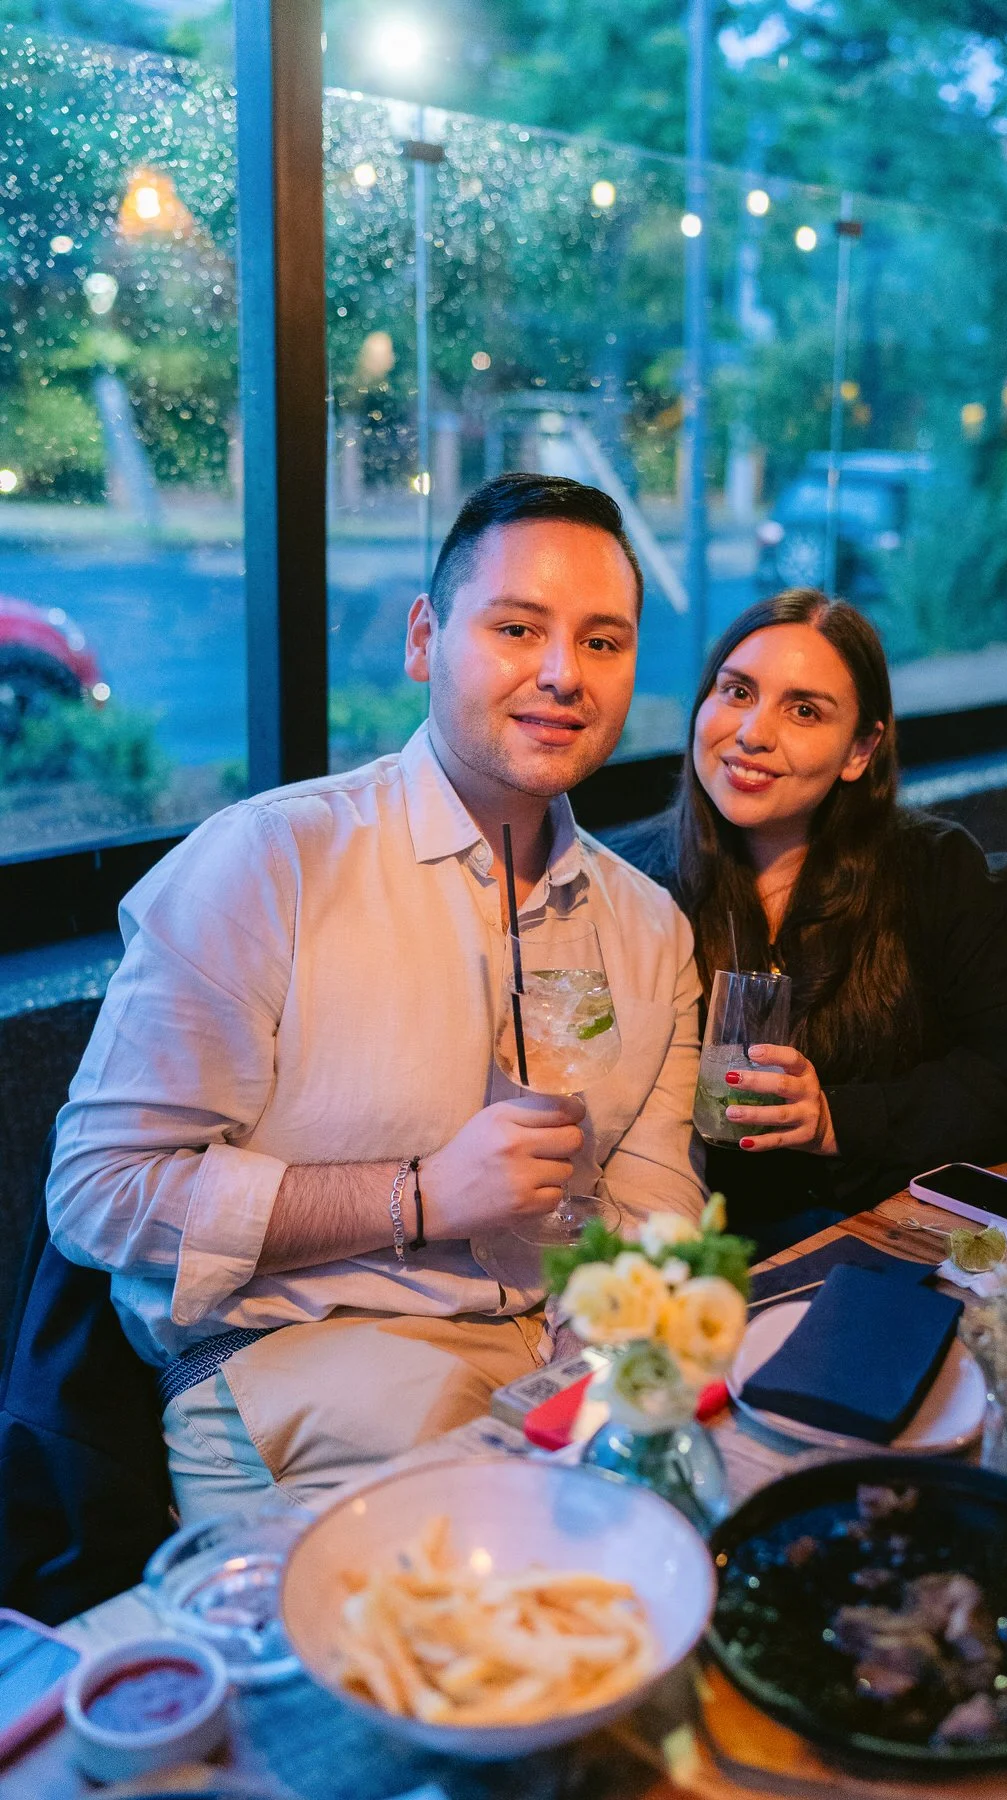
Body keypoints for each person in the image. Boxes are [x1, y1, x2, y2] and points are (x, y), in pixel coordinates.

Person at [47, 473, 704, 1519]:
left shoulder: (650, 928)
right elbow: (97, 1192)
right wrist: (420, 1196)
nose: (560, 673)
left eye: (602, 642)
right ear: (422, 639)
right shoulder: (272, 864)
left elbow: (654, 1183)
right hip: (304, 1376)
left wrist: (610, 1328)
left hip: (557, 1370)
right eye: (517, 626)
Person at [607, 589, 1007, 1255]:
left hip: (886, 1252)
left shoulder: (933, 868)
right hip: (676, 1259)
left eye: (804, 710)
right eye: (737, 691)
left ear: (860, 750)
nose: (753, 733)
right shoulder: (622, 881)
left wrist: (836, 1118)